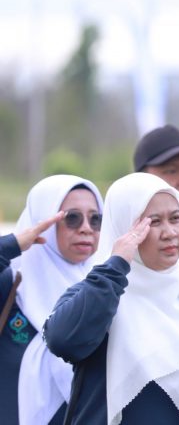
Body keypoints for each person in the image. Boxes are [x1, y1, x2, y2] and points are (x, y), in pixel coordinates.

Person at [44, 173, 179, 424]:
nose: (170, 232)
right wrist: (116, 264)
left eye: (176, 218)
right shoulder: (100, 295)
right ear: (123, 228)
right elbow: (63, 341)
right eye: (153, 222)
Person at [0, 175, 103, 425]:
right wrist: (13, 244)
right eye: (72, 218)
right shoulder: (12, 285)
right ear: (43, 221)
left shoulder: (106, 289)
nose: (86, 228)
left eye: (95, 219)